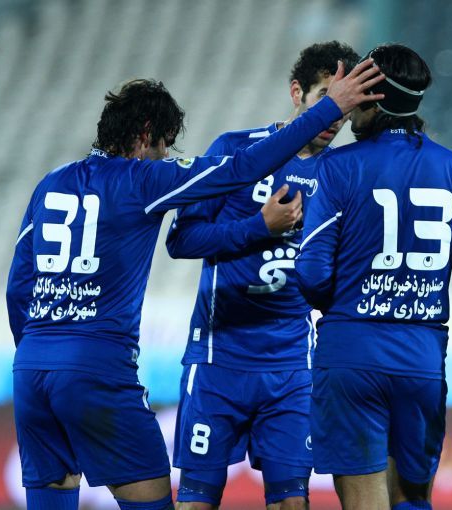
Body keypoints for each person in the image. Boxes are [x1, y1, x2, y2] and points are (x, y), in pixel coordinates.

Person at [5, 62, 383, 510]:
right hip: (97, 365)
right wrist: (330, 108)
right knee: (153, 496)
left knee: (53, 492)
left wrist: (39, 356)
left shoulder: (50, 183)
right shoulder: (143, 179)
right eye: (165, 144)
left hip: (31, 371)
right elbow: (242, 168)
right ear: (146, 134)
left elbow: (18, 287)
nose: (166, 154)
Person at [295, 44, 452, 510]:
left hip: (351, 355)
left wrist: (351, 299)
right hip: (420, 360)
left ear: (373, 97)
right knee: (412, 499)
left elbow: (312, 275)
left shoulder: (337, 168)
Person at [165, 41, 359, 510]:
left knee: (293, 502)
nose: (334, 116)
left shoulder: (346, 173)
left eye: (343, 105)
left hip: (292, 364)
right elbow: (181, 240)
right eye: (325, 98)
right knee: (195, 502)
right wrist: (259, 227)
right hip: (218, 358)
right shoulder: (235, 149)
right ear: (296, 93)